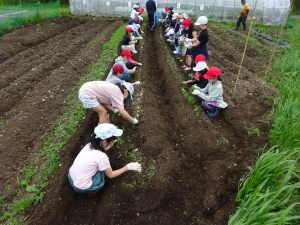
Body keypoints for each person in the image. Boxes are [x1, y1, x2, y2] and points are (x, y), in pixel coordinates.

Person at [68, 123, 142, 194]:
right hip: (81, 187)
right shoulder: (101, 156)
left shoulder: (89, 145)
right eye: (112, 141)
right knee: (102, 177)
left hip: (71, 176)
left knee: (99, 166)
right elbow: (111, 175)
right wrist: (128, 167)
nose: (112, 143)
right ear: (104, 142)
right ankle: (93, 193)